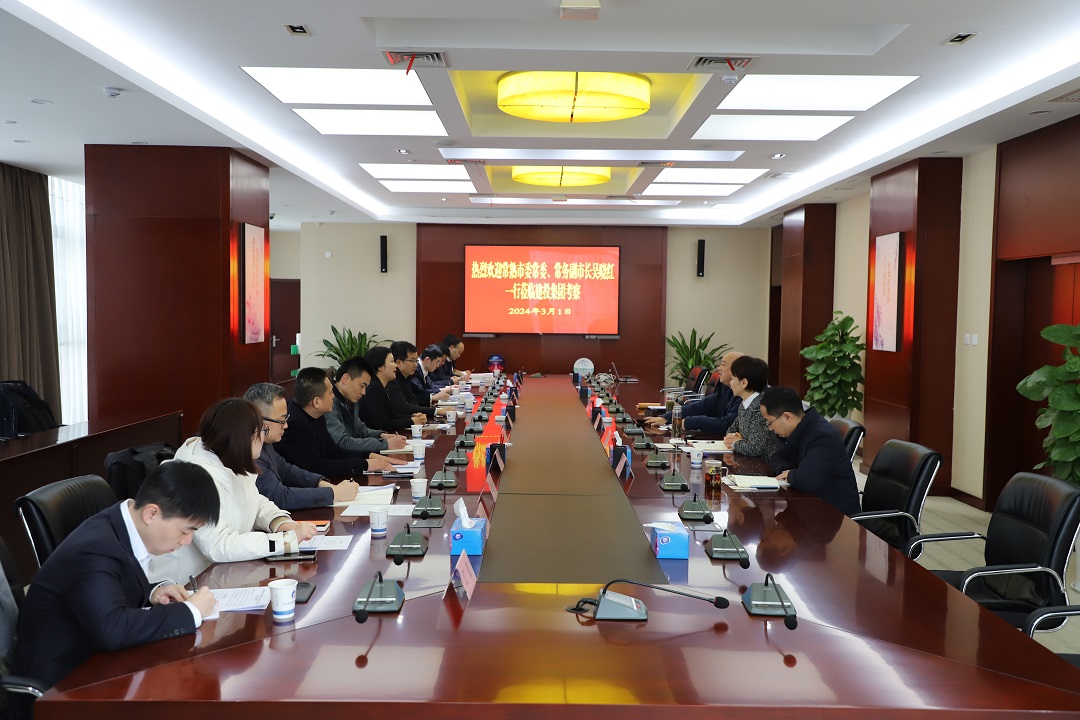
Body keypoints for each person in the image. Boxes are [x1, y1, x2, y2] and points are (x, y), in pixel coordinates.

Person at [13, 461, 221, 691]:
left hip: (99, 662)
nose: (187, 541)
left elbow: (107, 585)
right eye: (185, 531)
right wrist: (190, 611)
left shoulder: (120, 523)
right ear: (151, 513)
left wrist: (152, 592)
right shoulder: (94, 549)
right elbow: (111, 629)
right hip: (61, 685)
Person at [147, 399, 318, 583]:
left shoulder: (230, 457)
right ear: (243, 437)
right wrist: (284, 541)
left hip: (223, 574)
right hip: (186, 583)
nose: (264, 437)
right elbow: (219, 545)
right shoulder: (196, 477)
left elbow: (254, 499)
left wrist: (280, 523)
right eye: (262, 430)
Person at [243, 383, 359, 509]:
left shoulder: (265, 443)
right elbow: (280, 497)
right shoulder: (249, 452)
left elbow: (286, 470)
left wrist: (321, 483)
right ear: (261, 421)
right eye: (282, 420)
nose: (286, 425)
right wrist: (333, 493)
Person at [276, 367, 397, 477]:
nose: (333, 396)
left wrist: (368, 455)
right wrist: (365, 464)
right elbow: (316, 467)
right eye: (330, 393)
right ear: (316, 402)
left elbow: (333, 451)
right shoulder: (294, 424)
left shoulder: (316, 415)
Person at [760, 386, 861, 516]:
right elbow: (777, 457)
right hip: (810, 504)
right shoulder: (799, 429)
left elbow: (806, 481)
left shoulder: (822, 436)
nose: (770, 428)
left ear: (787, 417)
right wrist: (791, 472)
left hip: (834, 514)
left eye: (769, 422)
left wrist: (791, 475)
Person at [643, 351, 743, 434]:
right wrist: (667, 417)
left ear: (736, 370)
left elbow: (726, 426)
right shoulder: (725, 387)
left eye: (723, 365)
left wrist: (691, 422)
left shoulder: (743, 395)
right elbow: (702, 406)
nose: (719, 368)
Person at [326, 356, 407, 454]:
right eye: (362, 386)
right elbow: (342, 443)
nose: (364, 392)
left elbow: (360, 430)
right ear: (345, 379)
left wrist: (381, 435)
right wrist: (384, 444)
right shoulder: (328, 403)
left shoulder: (350, 399)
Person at [723, 356, 782, 459]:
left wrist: (735, 442)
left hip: (766, 463)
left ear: (744, 383)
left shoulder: (760, 408)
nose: (730, 383)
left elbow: (754, 448)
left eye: (732, 378)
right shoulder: (744, 404)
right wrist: (733, 438)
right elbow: (731, 429)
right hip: (750, 460)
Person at [358, 346, 428, 431]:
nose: (395, 365)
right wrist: (412, 421)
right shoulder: (374, 388)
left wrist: (412, 417)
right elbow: (382, 424)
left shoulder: (380, 385)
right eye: (392, 361)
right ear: (380, 367)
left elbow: (391, 415)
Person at [388, 341, 438, 420]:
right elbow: (405, 408)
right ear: (399, 362)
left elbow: (413, 401)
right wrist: (436, 411)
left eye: (416, 361)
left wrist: (416, 413)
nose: (416, 365)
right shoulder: (392, 381)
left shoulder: (406, 378)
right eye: (412, 361)